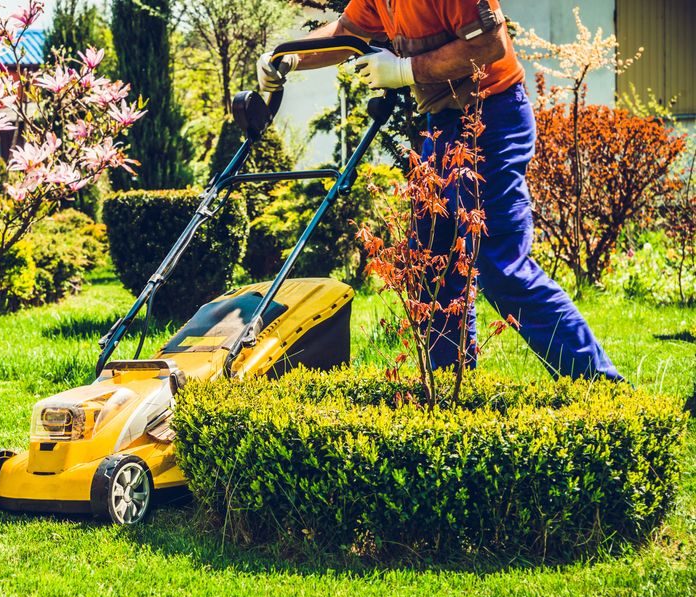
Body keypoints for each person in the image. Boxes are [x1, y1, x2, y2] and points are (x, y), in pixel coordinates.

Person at [256, 0, 623, 381]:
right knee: (431, 265)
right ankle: (449, 389)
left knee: (500, 268)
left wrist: (404, 70)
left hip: (491, 119)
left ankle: (600, 384)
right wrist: (289, 56)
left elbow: (489, 46)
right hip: (440, 126)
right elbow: (345, 33)